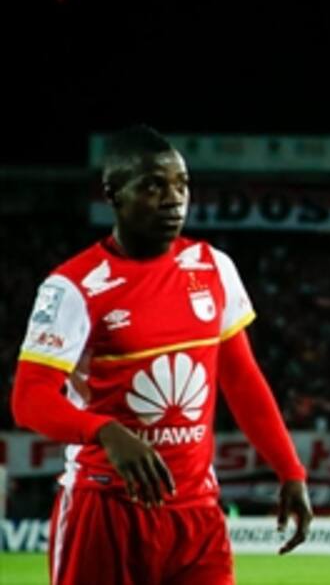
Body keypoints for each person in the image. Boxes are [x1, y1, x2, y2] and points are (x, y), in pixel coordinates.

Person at [11, 125, 314, 585]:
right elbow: (29, 399)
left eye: (181, 185)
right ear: (113, 194)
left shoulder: (214, 267)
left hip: (196, 517)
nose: (174, 198)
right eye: (153, 185)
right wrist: (104, 431)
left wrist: (290, 469)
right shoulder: (72, 288)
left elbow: (242, 378)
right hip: (106, 511)